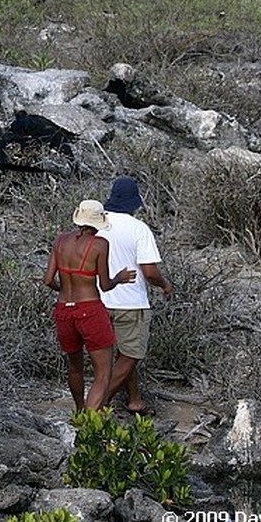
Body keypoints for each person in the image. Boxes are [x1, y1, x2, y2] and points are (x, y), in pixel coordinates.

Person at [44, 200, 135, 412]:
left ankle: (79, 411)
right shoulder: (100, 244)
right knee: (102, 373)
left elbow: (48, 280)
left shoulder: (60, 241)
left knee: (75, 367)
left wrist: (65, 291)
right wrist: (119, 278)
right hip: (90, 309)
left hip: (64, 310)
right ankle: (88, 424)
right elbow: (104, 284)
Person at [98, 176, 173, 416]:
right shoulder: (139, 229)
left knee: (118, 354)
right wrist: (165, 284)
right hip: (130, 302)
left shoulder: (98, 225)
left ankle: (134, 399)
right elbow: (149, 272)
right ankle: (98, 405)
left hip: (99, 299)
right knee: (131, 354)